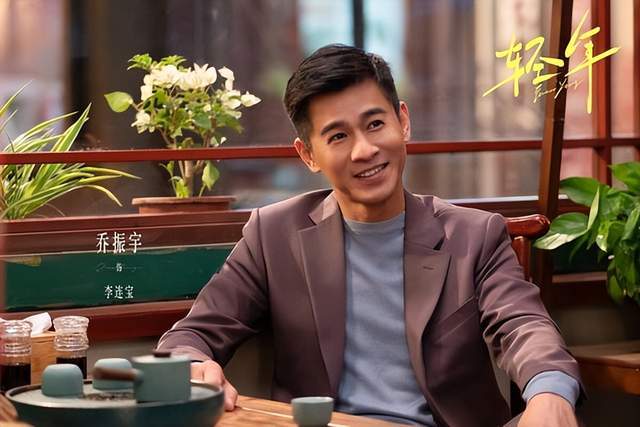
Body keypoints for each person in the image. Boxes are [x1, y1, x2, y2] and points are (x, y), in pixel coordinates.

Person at [158, 44, 583, 427]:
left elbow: (524, 326)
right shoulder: (273, 235)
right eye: (338, 136)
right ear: (308, 154)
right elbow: (191, 335)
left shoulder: (473, 235)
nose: (364, 150)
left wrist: (550, 392)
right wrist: (194, 367)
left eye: (375, 124)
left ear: (403, 121)